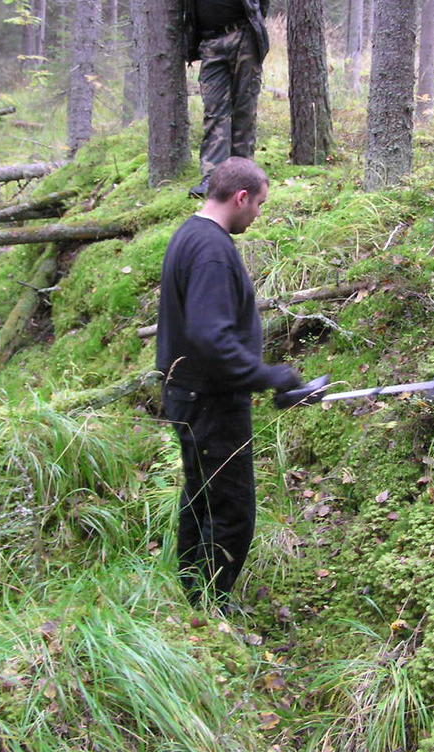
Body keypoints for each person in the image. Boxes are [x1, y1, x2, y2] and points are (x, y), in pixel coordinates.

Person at [156, 157, 300, 607]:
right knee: (230, 510)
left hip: (194, 395)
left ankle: (191, 599)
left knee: (201, 499)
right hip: (210, 402)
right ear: (240, 197)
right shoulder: (213, 251)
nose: (258, 214)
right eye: (259, 204)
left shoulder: (191, 234)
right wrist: (269, 376)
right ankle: (206, 608)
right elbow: (209, 335)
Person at [182, 0, 270, 197]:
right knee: (214, 112)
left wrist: (252, 30)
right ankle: (213, 179)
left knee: (244, 109)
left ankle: (244, 178)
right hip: (210, 43)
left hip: (243, 36)